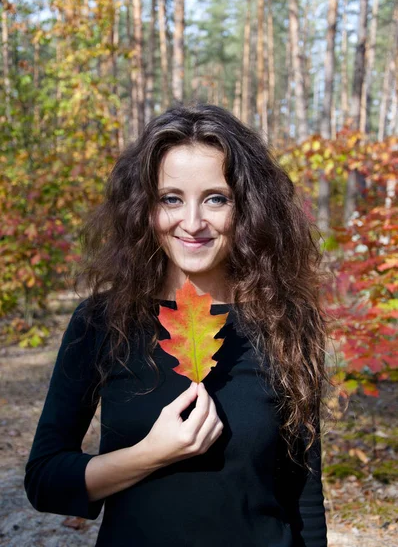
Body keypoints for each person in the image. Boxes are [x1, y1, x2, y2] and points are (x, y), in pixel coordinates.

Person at [24, 103, 331, 546]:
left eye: (216, 198)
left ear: (249, 208)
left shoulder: (286, 323)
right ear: (144, 208)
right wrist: (151, 454)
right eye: (171, 198)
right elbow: (45, 480)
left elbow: (303, 495)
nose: (192, 223)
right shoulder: (102, 322)